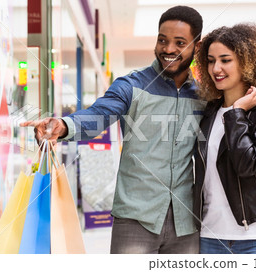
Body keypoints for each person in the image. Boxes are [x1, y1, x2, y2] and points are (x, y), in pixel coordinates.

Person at [21, 6, 205, 254]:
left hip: (186, 224)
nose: (168, 49)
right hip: (135, 220)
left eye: (179, 42)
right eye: (162, 40)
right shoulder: (132, 85)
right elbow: (98, 115)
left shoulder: (204, 96)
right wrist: (63, 126)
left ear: (197, 46)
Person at [193, 23, 256, 254]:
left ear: (247, 61)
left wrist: (236, 112)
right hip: (210, 237)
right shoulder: (209, 112)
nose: (216, 68)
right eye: (210, 60)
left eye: (225, 60)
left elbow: (248, 163)